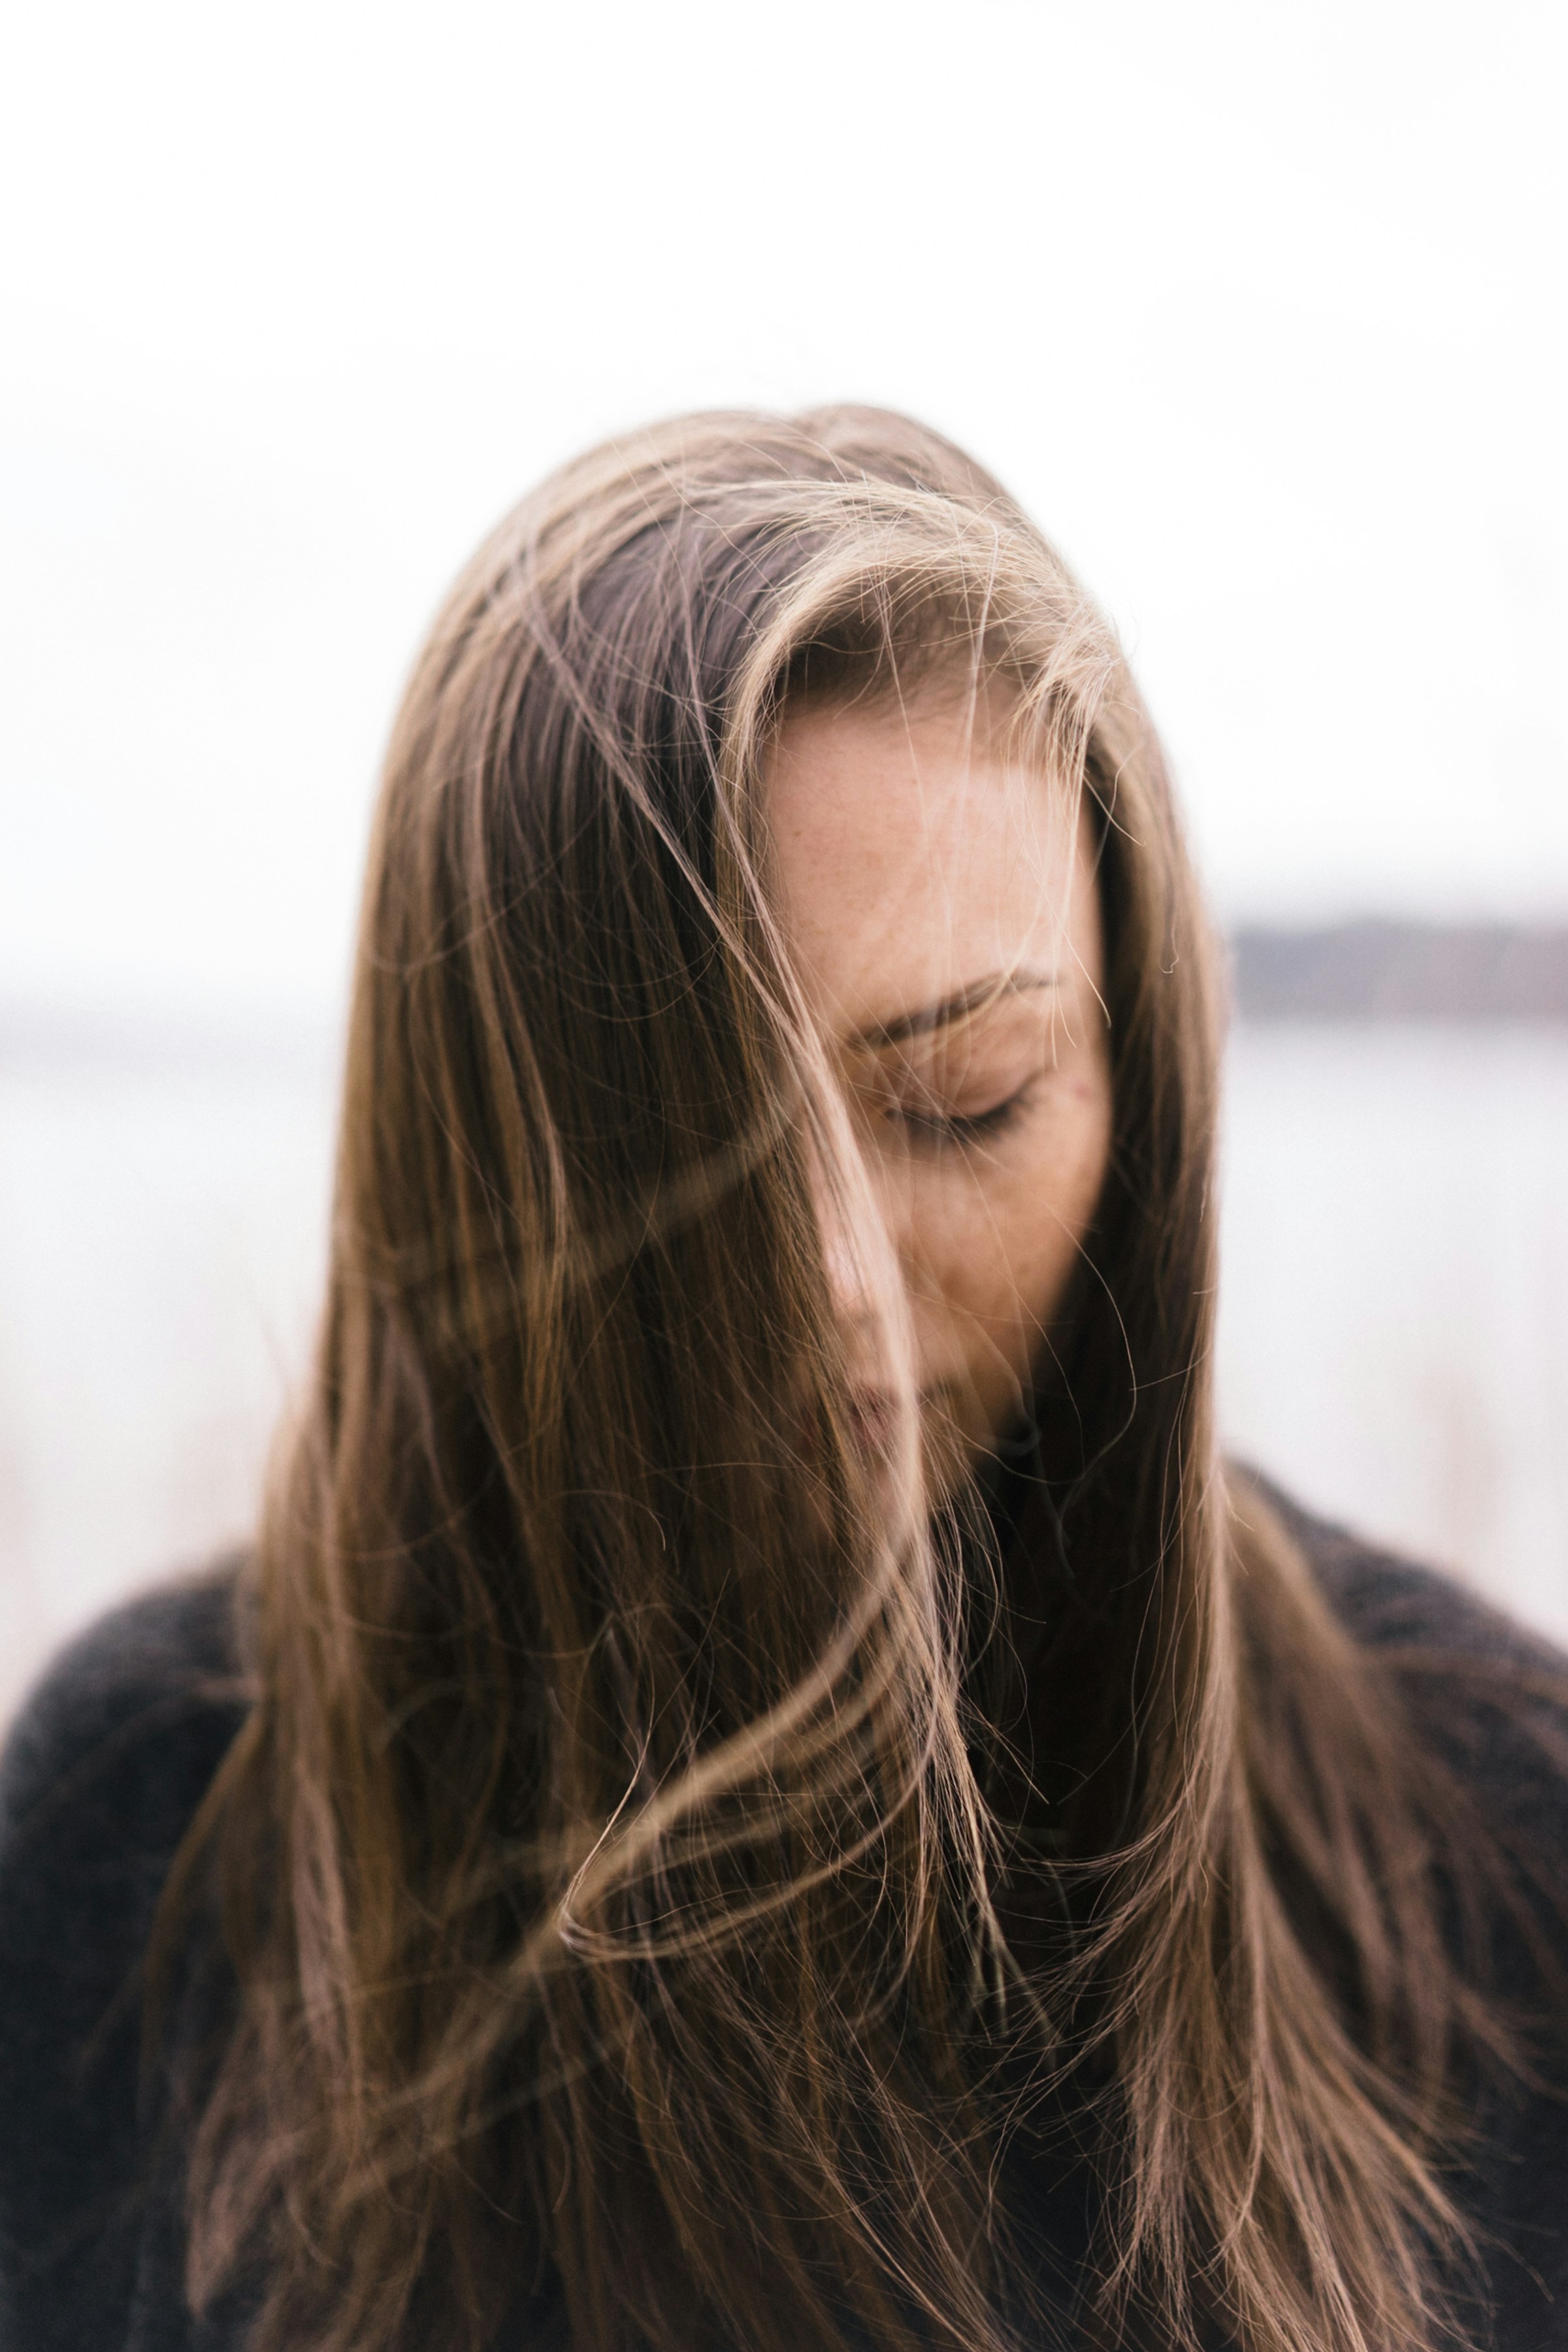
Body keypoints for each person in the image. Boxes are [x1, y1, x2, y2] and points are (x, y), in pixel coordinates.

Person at [2, 407, 1567, 2352]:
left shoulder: (1503, 1838)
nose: (825, 1281)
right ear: (462, 1143)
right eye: (693, 1141)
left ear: (1138, 1082)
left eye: (962, 1104)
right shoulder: (140, 1837)